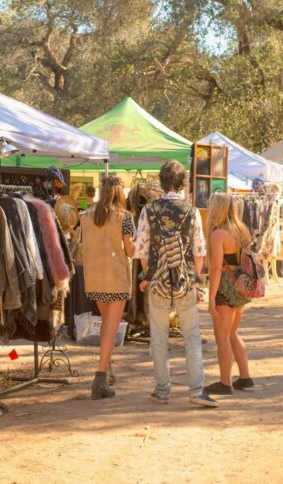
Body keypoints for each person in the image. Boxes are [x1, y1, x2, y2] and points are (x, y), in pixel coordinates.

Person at [134, 160, 218, 408]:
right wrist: (195, 279)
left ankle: (162, 390)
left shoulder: (148, 210)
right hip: (184, 281)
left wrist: (149, 276)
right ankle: (196, 390)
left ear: (161, 182)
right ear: (183, 183)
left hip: (158, 281)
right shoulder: (192, 211)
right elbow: (199, 250)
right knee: (191, 336)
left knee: (159, 337)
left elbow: (142, 250)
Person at [78, 175, 135, 399]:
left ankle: (106, 368)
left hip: (94, 277)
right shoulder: (124, 217)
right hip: (116, 276)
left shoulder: (86, 214)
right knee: (111, 326)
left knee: (106, 326)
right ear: (120, 193)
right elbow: (130, 250)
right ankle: (100, 376)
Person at [204, 193, 255, 396]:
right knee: (232, 333)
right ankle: (245, 377)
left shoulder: (218, 234)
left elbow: (216, 268)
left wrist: (210, 298)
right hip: (242, 285)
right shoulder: (242, 231)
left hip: (225, 286)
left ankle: (225, 382)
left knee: (222, 337)